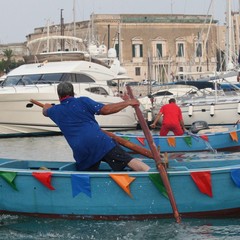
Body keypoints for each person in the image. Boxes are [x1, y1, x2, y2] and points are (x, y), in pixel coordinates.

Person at [42, 81, 150, 172]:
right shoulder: (83, 101)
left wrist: (48, 106)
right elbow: (106, 110)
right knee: (128, 160)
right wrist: (128, 102)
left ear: (59, 96)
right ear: (73, 92)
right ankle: (150, 172)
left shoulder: (55, 111)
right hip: (100, 142)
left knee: (86, 177)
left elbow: (45, 111)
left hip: (82, 151)